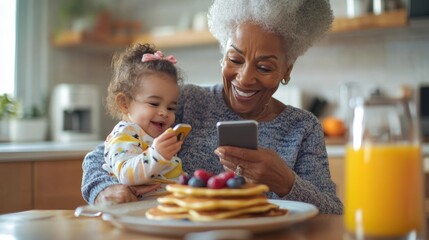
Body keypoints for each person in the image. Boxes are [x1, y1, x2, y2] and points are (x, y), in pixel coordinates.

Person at [82, 0, 343, 214]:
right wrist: (105, 189)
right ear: (222, 57)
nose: (244, 78)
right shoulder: (182, 103)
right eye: (235, 59)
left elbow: (332, 213)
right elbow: (101, 156)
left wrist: (286, 182)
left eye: (264, 67)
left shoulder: (303, 128)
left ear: (286, 70)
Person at [101, 43, 185, 198]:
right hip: (137, 212)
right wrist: (157, 154)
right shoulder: (125, 133)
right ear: (124, 103)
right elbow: (125, 174)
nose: (164, 113)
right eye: (154, 103)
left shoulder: (153, 136)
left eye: (171, 107)